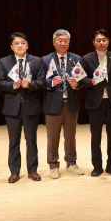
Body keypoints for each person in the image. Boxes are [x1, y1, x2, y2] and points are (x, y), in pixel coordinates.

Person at [0, 32, 45, 183]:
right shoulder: (4, 61)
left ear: (27, 45)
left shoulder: (36, 61)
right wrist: (12, 85)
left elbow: (42, 81)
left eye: (23, 43)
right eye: (16, 43)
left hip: (31, 105)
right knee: (14, 141)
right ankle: (14, 171)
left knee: (31, 140)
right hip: (12, 107)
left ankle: (32, 170)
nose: (20, 46)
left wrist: (30, 85)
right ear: (12, 46)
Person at [41, 30, 84, 179]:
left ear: (69, 42)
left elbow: (82, 80)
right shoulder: (45, 60)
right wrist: (52, 82)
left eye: (66, 40)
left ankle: (71, 163)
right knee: (53, 138)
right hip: (53, 103)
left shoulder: (77, 59)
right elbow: (40, 80)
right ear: (54, 42)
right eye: (60, 40)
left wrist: (76, 84)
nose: (63, 43)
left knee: (71, 137)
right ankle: (53, 165)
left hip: (71, 103)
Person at [80, 29, 111, 176]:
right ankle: (97, 166)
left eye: (104, 40)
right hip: (95, 102)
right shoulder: (86, 58)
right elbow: (81, 79)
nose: (101, 43)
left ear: (108, 41)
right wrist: (90, 82)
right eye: (98, 40)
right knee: (95, 137)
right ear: (93, 42)